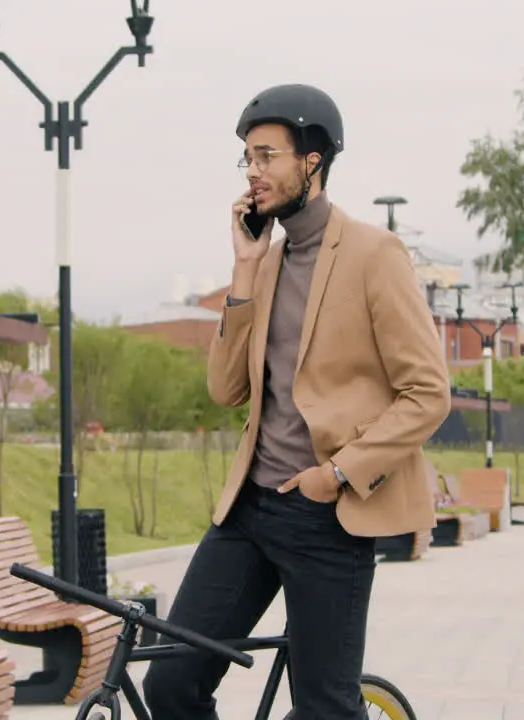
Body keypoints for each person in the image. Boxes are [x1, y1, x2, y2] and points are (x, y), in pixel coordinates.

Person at [140, 84, 452, 718]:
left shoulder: (374, 254)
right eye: (247, 159)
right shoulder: (268, 260)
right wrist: (245, 269)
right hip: (248, 511)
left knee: (324, 705)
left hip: (328, 516)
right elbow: (226, 390)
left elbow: (428, 393)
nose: (253, 172)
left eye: (266, 156)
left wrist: (337, 473)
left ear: (313, 161)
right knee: (171, 683)